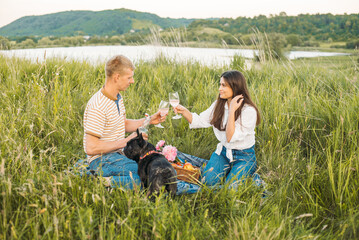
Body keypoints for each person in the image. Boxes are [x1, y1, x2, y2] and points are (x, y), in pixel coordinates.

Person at [83, 55, 166, 189]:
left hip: (118, 153)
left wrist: (149, 120)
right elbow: (91, 148)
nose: (132, 81)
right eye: (129, 77)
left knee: (155, 167)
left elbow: (123, 124)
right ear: (116, 77)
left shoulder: (117, 97)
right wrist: (126, 141)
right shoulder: (97, 106)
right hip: (101, 159)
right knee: (147, 178)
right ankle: (102, 181)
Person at [174, 70, 264, 188]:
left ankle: (249, 174)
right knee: (207, 182)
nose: (219, 88)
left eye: (223, 85)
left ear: (235, 87)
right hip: (223, 153)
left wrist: (232, 110)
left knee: (230, 188)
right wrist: (183, 111)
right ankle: (223, 169)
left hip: (244, 156)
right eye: (220, 84)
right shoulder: (219, 104)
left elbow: (230, 137)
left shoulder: (248, 111)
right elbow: (200, 120)